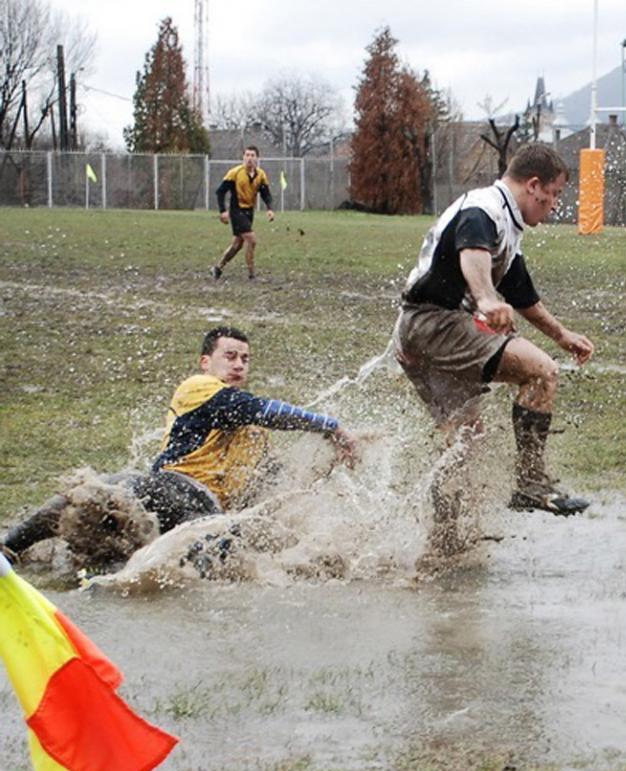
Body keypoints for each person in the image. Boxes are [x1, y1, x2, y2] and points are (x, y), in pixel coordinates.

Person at [1, 326, 357, 563]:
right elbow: (256, 408)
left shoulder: (256, 433)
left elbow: (268, 481)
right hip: (169, 487)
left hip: (206, 512)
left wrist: (324, 469)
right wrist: (330, 426)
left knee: (210, 544)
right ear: (206, 362)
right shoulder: (198, 388)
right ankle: (10, 546)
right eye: (229, 356)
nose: (238, 365)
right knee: (93, 492)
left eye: (245, 359)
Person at [393, 142, 594, 521]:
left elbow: (520, 293)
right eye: (553, 196)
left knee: (466, 444)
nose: (553, 207)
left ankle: (444, 545)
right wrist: (485, 298)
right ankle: (531, 484)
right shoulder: (484, 209)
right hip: (434, 324)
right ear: (533, 185)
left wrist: (562, 335)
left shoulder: (504, 221)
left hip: (416, 335)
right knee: (541, 372)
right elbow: (472, 251)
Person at [212, 146, 274, 281]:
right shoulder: (235, 173)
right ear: (243, 158)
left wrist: (269, 208)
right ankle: (252, 274)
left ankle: (218, 267)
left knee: (237, 244)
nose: (249, 158)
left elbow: (265, 193)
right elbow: (220, 192)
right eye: (247, 155)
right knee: (251, 240)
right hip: (236, 210)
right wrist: (222, 211)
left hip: (249, 211)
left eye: (252, 155)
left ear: (257, 158)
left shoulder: (261, 174)